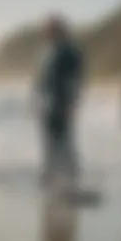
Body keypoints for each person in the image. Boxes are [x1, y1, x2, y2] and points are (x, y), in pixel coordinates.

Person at [32, 15, 84, 186]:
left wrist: (72, 104)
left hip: (62, 104)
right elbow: (39, 81)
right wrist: (34, 102)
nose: (46, 32)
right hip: (47, 104)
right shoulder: (46, 52)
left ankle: (71, 179)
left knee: (64, 143)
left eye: (50, 29)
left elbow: (76, 80)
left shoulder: (69, 51)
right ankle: (50, 177)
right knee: (49, 143)